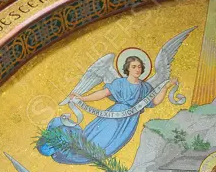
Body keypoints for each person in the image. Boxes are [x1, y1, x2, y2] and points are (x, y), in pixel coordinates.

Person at [38, 56, 177, 165]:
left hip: (129, 123)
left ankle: (83, 152)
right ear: (128, 68)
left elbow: (154, 102)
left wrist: (165, 87)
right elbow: (103, 93)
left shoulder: (145, 87)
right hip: (114, 116)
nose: (137, 69)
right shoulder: (120, 83)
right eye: (134, 66)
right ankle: (65, 146)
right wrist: (83, 98)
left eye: (139, 67)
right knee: (94, 140)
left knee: (107, 147)